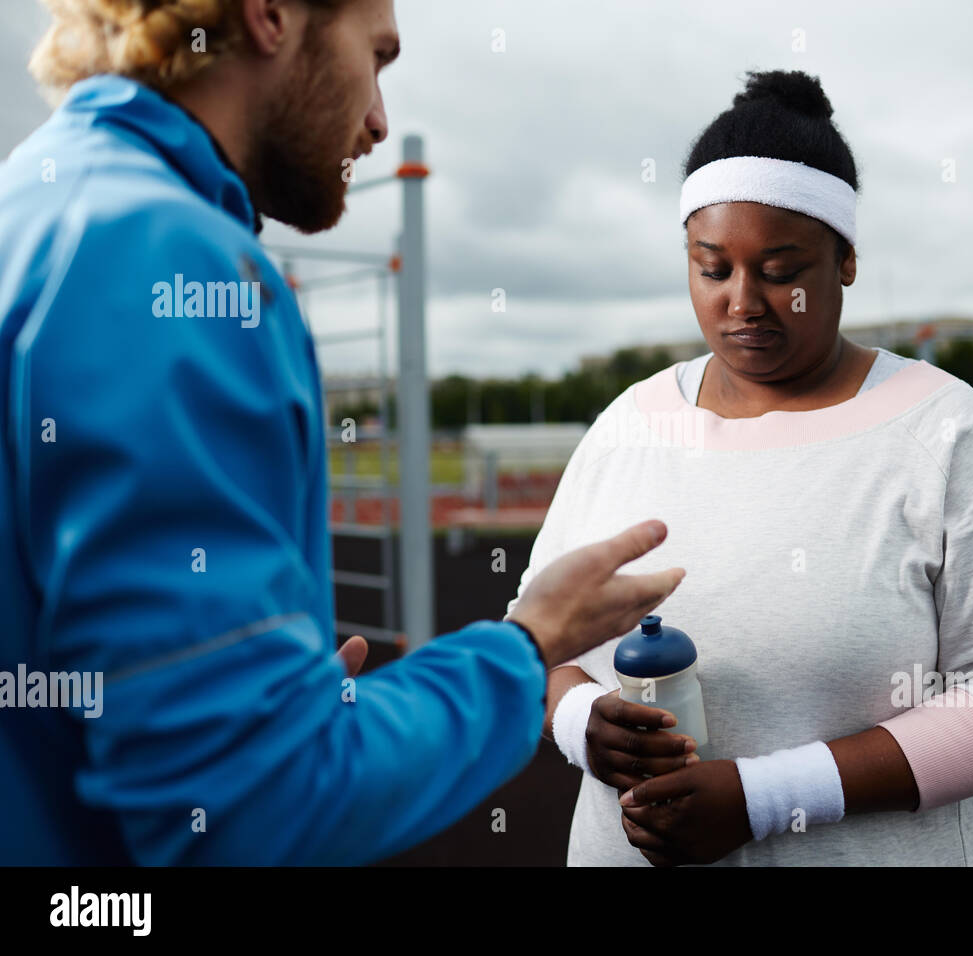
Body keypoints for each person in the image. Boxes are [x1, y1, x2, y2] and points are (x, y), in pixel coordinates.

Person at [0, 0, 684, 865]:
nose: (377, 121)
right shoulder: (171, 257)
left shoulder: (38, 193)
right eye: (378, 56)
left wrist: (263, 697)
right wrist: (529, 645)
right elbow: (244, 813)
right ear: (272, 16)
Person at [507, 70, 973, 866]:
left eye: (781, 273)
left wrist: (770, 798)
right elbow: (537, 640)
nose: (742, 301)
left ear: (845, 261)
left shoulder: (948, 434)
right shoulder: (625, 427)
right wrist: (582, 725)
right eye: (712, 270)